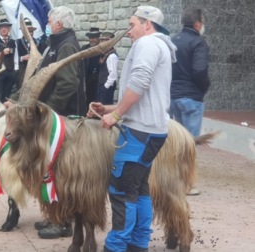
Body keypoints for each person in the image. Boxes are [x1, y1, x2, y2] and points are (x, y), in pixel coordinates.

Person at [87, 6, 176, 252]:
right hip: (153, 131)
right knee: (139, 188)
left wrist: (116, 115)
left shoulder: (147, 45)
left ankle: (116, 246)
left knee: (121, 190)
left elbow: (139, 82)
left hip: (139, 132)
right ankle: (138, 244)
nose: (129, 31)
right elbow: (145, 93)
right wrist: (109, 108)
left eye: (132, 24)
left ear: (148, 24)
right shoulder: (160, 45)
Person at [31, 6, 86, 239]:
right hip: (54, 119)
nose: (48, 22)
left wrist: (48, 110)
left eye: (50, 20)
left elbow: (67, 84)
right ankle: (55, 215)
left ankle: (63, 221)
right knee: (51, 169)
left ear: (59, 24)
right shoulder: (56, 45)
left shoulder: (66, 46)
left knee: (61, 171)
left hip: (62, 121)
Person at [170, 7, 210, 196]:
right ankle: (187, 184)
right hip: (191, 98)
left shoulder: (174, 40)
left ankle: (174, 179)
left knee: (178, 141)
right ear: (197, 24)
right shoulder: (198, 43)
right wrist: (203, 89)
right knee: (190, 143)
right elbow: (200, 71)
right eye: (202, 21)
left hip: (173, 97)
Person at [15, 18, 45, 90]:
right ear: (23, 32)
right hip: (22, 71)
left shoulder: (38, 43)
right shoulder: (17, 42)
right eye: (28, 31)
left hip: (34, 70)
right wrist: (22, 58)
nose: (30, 33)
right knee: (21, 89)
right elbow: (14, 58)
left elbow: (41, 56)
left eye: (31, 31)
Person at [81, 27, 101, 107]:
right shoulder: (84, 48)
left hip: (97, 79)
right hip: (86, 78)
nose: (92, 40)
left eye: (94, 38)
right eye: (90, 38)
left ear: (98, 38)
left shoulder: (102, 48)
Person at [97, 31, 119, 105]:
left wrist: (105, 87)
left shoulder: (112, 56)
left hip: (107, 87)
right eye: (101, 40)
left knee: (105, 108)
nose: (101, 43)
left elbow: (113, 75)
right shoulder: (105, 54)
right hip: (103, 85)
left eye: (104, 41)